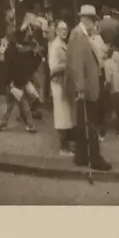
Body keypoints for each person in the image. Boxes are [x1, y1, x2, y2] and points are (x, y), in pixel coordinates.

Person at [65, 5, 109, 172]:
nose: (95, 25)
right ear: (87, 20)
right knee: (90, 124)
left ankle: (81, 157)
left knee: (84, 124)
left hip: (87, 87)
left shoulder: (81, 35)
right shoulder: (78, 35)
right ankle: (95, 159)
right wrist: (80, 88)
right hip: (85, 89)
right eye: (94, 21)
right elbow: (76, 64)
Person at [0, 20, 37, 133]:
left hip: (12, 81)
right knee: (20, 102)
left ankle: (3, 123)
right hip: (19, 79)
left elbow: (9, 68)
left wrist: (8, 82)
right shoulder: (20, 50)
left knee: (13, 103)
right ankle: (29, 124)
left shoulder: (10, 51)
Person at [47, 18, 73, 154]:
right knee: (61, 116)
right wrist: (67, 66)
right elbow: (52, 68)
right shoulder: (55, 46)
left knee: (66, 115)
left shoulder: (62, 43)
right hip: (58, 84)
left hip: (64, 83)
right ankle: (63, 147)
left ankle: (66, 144)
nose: (64, 32)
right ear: (57, 31)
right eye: (62, 29)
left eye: (66, 29)